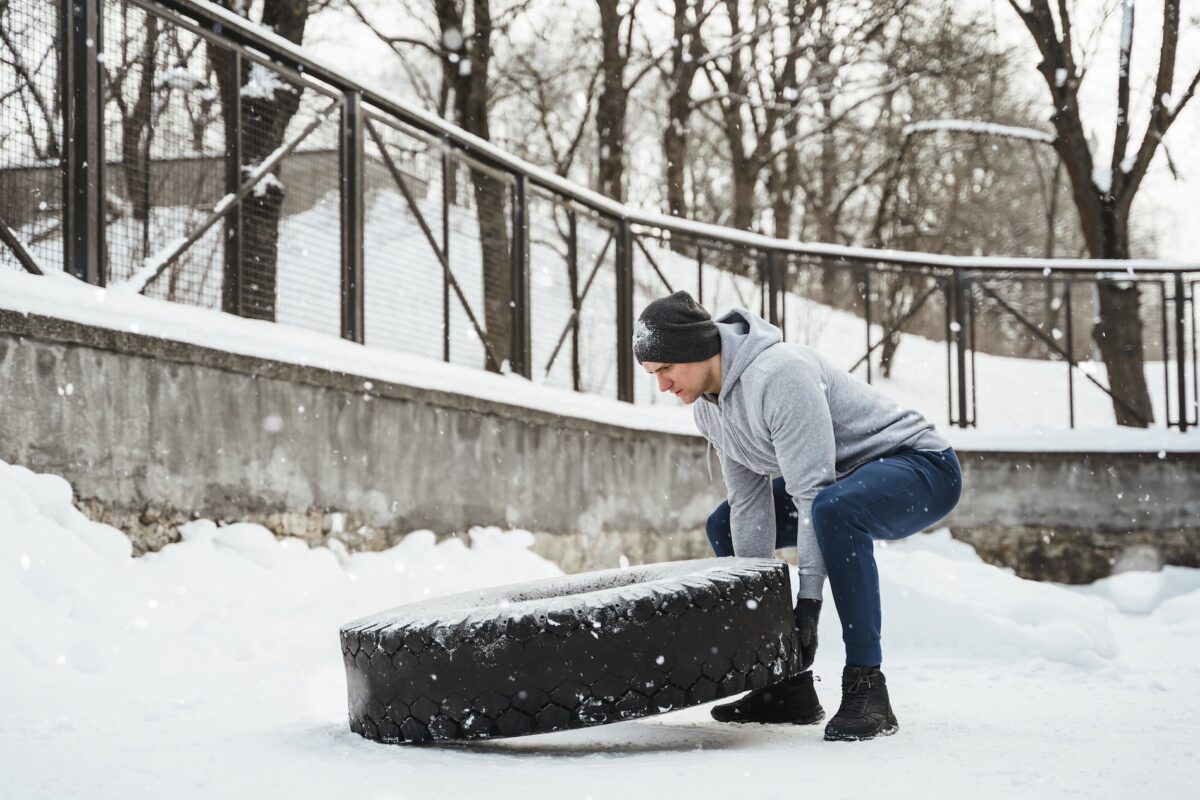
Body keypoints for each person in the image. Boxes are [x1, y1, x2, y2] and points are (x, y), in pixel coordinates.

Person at [634, 290, 962, 742]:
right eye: (653, 374)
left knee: (833, 511)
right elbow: (750, 503)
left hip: (922, 466)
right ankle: (783, 686)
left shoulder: (778, 374)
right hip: (842, 484)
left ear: (696, 349)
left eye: (666, 369)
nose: (663, 386)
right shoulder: (710, 411)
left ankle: (868, 686)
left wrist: (807, 604)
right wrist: (765, 623)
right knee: (722, 522)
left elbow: (813, 494)